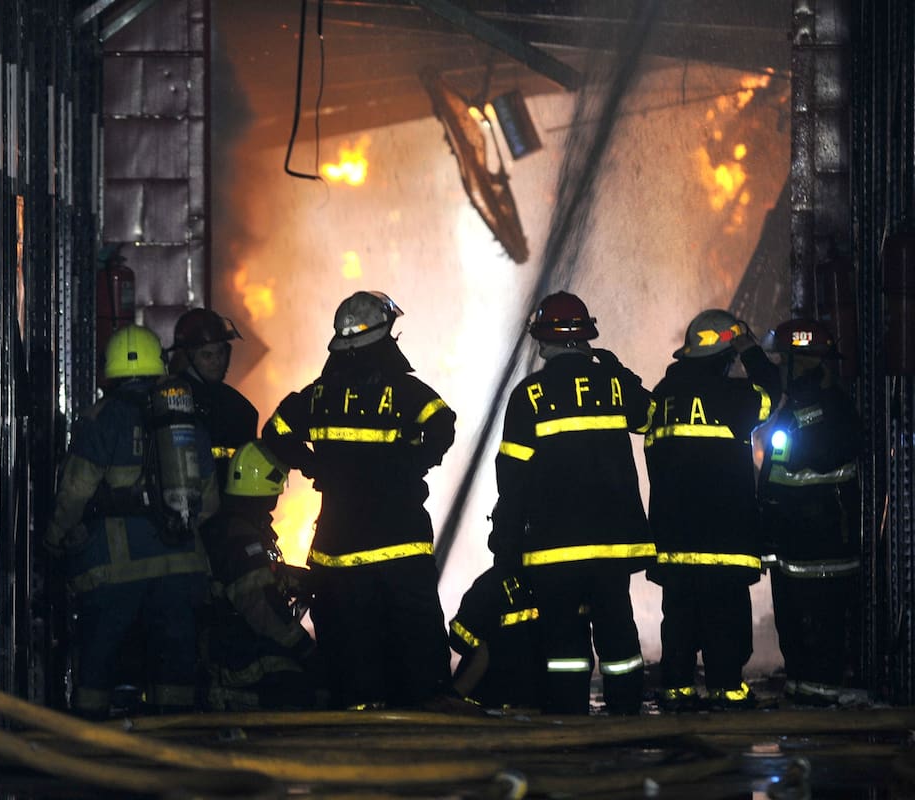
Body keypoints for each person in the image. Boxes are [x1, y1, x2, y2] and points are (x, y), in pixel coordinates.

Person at [261, 290, 456, 710]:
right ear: (384, 334)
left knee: (350, 642)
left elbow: (274, 431)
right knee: (416, 638)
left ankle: (358, 718)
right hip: (400, 540)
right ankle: (427, 716)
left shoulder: (318, 395)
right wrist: (410, 464)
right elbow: (443, 424)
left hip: (340, 545)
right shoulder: (406, 392)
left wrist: (313, 465)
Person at [489, 291, 656, 715]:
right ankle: (627, 713)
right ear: (586, 338)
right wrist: (620, 372)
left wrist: (506, 545)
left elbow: (512, 480)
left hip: (555, 547)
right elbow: (650, 416)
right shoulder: (613, 385)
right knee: (618, 631)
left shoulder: (528, 396)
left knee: (563, 641)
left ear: (542, 341)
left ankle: (568, 718)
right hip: (612, 546)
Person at [44, 324, 219, 719]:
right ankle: (173, 741)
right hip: (182, 566)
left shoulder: (101, 420)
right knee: (174, 669)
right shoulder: (185, 420)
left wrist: (54, 539)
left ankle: (88, 742)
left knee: (98, 662)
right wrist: (174, 524)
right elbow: (209, 502)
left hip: (113, 568)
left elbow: (74, 492)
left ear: (110, 369)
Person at [644, 308, 780, 711]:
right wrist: (750, 349)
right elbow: (772, 392)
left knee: (679, 617)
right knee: (725, 619)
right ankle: (727, 690)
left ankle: (676, 690)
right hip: (723, 538)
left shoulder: (662, 397)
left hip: (674, 537)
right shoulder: (734, 397)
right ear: (725, 356)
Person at [757, 318, 862, 707]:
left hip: (824, 543)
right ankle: (801, 687)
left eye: (782, 360)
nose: (779, 369)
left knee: (822, 624)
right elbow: (775, 477)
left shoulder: (834, 410)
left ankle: (819, 695)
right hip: (794, 543)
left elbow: (830, 453)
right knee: (793, 622)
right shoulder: (795, 410)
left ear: (799, 362)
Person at [198, 440, 322, 711]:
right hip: (237, 656)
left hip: (235, 643)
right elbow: (261, 608)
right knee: (312, 691)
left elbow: (262, 575)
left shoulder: (235, 526)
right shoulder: (242, 538)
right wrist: (306, 651)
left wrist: (301, 579)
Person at [166, 308, 260, 488]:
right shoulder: (171, 399)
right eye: (207, 355)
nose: (217, 361)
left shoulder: (240, 408)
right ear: (188, 357)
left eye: (221, 353)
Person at [449, 561, 544, 711]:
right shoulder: (546, 583)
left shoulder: (488, 585)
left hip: (486, 703)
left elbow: (458, 638)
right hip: (534, 702)